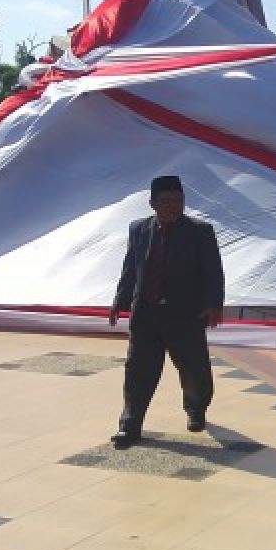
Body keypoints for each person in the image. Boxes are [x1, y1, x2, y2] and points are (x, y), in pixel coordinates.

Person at [108, 175, 225, 447]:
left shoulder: (200, 231)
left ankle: (196, 408)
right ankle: (130, 425)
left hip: (185, 315)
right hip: (146, 315)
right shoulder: (138, 230)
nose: (174, 206)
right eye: (166, 201)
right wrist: (120, 301)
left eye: (179, 201)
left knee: (194, 369)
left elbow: (213, 272)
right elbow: (130, 269)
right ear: (152, 203)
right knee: (138, 372)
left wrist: (213, 305)